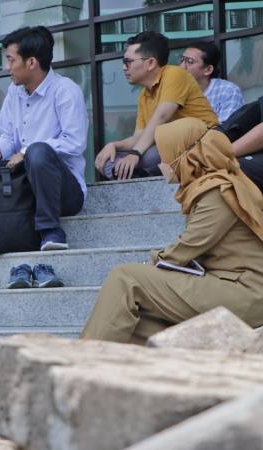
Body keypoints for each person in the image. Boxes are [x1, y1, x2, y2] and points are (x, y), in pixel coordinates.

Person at [81, 117, 263, 344]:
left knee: (125, 277)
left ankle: (81, 361)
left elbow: (187, 248)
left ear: (185, 155)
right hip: (230, 286)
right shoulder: (212, 185)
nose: (160, 162)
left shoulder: (217, 191)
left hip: (245, 293)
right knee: (134, 323)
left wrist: (151, 264)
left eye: (165, 154)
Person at [0, 26, 88, 252]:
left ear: (31, 63)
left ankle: (50, 229)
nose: (7, 68)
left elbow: (74, 142)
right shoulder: (14, 91)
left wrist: (26, 152)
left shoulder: (65, 91)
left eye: (11, 60)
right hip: (22, 185)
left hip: (63, 192)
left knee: (37, 151)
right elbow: (8, 136)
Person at [95, 31, 217, 180]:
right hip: (168, 148)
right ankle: (139, 172)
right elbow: (139, 137)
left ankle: (138, 171)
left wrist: (135, 154)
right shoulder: (143, 96)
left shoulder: (175, 74)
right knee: (109, 158)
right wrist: (114, 145)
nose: (124, 68)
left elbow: (162, 116)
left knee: (147, 156)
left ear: (151, 63)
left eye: (128, 61)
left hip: (203, 144)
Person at [178, 41, 243, 123]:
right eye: (181, 60)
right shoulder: (176, 90)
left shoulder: (228, 91)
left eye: (190, 61)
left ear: (208, 70)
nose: (181, 67)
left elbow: (227, 129)